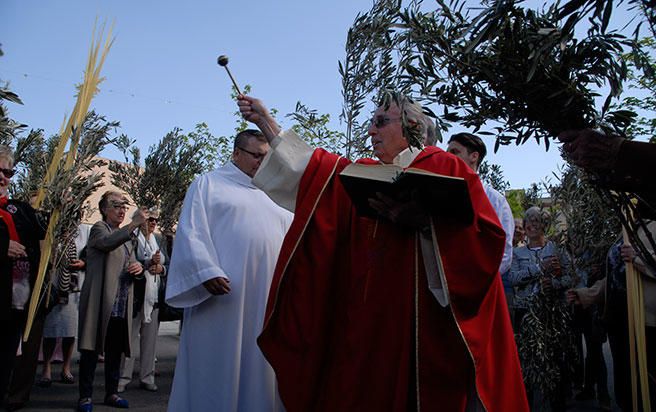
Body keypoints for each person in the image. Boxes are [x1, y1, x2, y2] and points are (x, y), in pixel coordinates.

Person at [238, 92, 528, 411]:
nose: (371, 131)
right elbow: (311, 171)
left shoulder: (445, 165)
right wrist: (265, 122)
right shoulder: (365, 174)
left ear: (412, 125)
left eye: (380, 122)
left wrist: (427, 226)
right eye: (370, 123)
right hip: (368, 330)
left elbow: (485, 244)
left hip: (424, 332)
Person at [165, 129, 293, 412]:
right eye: (256, 156)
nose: (262, 162)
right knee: (216, 365)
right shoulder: (208, 184)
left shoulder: (277, 193)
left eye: (267, 156)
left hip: (267, 299)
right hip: (222, 300)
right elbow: (192, 231)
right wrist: (205, 271)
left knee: (261, 366)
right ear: (236, 153)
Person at [568, 220, 656, 411]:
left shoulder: (653, 226)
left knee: (647, 385)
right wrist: (587, 294)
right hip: (620, 321)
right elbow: (617, 275)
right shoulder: (627, 229)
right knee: (626, 386)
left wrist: (638, 259)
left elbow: (637, 265)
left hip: (646, 324)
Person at [77, 191, 145, 412]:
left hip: (120, 303)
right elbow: (107, 243)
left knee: (114, 350)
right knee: (90, 349)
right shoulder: (99, 228)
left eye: (124, 206)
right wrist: (134, 224)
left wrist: (139, 268)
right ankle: (85, 396)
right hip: (99, 300)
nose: (122, 209)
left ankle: (111, 393)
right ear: (104, 209)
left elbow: (132, 261)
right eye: (116, 205)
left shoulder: (128, 239)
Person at [0, 146, 48, 409]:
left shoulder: (19, 208)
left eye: (8, 172)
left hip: (16, 300)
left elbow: (43, 232)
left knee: (7, 358)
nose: (3, 177)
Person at [445, 132, 515, 308]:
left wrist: (477, 283)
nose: (449, 157)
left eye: (455, 152)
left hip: (480, 295)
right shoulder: (442, 195)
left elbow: (504, 253)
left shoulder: (495, 200)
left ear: (474, 156)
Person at [118, 208, 167, 393]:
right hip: (136, 296)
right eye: (149, 220)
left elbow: (168, 264)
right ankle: (123, 377)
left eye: (155, 220)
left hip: (153, 297)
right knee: (129, 340)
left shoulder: (160, 240)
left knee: (150, 341)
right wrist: (148, 264)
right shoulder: (132, 238)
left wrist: (161, 269)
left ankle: (147, 376)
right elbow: (129, 261)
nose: (153, 223)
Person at [40, 224, 90, 387]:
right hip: (55, 286)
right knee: (51, 330)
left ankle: (66, 367)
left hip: (75, 287)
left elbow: (89, 254)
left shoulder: (84, 231)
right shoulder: (53, 226)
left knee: (70, 331)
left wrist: (83, 263)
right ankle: (46, 368)